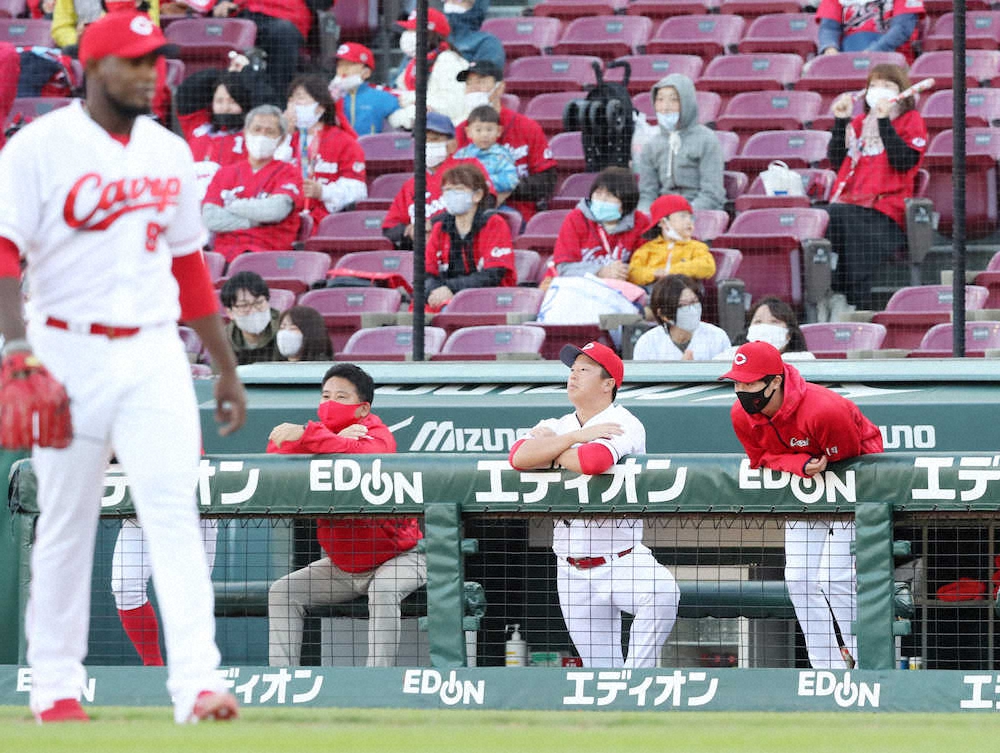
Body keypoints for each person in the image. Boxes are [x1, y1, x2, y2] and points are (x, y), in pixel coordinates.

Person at [0, 11, 246, 722]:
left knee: (174, 510)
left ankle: (198, 681)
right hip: (63, 343)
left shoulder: (168, 152)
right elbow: (5, 253)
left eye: (155, 60)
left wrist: (225, 365)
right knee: (67, 520)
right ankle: (53, 687)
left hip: (152, 349)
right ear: (95, 66)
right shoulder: (38, 148)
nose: (151, 72)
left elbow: (188, 265)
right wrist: (16, 346)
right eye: (136, 61)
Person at [509, 342, 679, 668]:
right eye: (572, 369)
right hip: (570, 569)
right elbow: (518, 457)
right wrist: (570, 440)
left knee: (662, 595)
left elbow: (594, 460)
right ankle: (617, 704)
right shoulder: (560, 424)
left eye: (584, 370)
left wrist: (549, 450)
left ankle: (637, 679)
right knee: (600, 672)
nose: (573, 375)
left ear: (608, 383)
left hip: (622, 560)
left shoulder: (623, 421)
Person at [720, 340, 884, 669]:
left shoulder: (824, 409)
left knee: (834, 578)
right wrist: (798, 464)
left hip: (853, 488)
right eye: (737, 382)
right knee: (798, 579)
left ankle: (866, 659)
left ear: (775, 381)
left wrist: (804, 464)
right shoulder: (741, 413)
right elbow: (759, 458)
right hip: (806, 489)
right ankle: (825, 667)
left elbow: (848, 460)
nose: (742, 390)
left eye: (750, 382)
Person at [267, 363, 426, 667]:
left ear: (362, 409)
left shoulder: (377, 434)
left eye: (341, 397)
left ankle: (374, 682)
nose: (329, 403)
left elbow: (366, 454)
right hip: (343, 566)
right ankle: (282, 679)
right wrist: (331, 438)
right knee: (283, 591)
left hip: (401, 558)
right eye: (325, 395)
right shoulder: (321, 434)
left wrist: (312, 436)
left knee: (383, 590)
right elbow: (276, 451)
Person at [824, 63, 927, 310]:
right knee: (825, 216)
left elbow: (904, 162)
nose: (879, 90)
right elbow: (839, 162)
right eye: (874, 85)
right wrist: (841, 122)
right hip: (852, 207)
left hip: (886, 214)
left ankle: (852, 301)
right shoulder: (859, 122)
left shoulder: (910, 120)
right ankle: (832, 294)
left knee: (839, 216)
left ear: (901, 91)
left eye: (887, 85)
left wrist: (883, 122)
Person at [455, 59, 557, 221]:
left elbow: (547, 181)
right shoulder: (461, 131)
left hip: (517, 214)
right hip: (469, 213)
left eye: (480, 82)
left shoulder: (527, 127)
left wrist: (501, 187)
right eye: (469, 84)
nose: (474, 89)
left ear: (500, 87)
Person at [111, 515, 218, 666]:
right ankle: (154, 667)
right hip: (140, 512)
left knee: (191, 594)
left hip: (196, 513)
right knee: (125, 587)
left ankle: (191, 671)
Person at [202, 104, 304, 262]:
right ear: (245, 133)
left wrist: (232, 206)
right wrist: (254, 220)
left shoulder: (289, 172)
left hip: (269, 257)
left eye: (269, 132)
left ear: (281, 139)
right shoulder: (224, 173)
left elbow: (274, 212)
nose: (262, 136)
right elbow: (210, 218)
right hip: (225, 257)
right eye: (256, 130)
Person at [424, 163, 517, 311]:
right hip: (442, 299)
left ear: (477, 195)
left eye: (459, 189)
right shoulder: (439, 228)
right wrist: (435, 291)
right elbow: (425, 273)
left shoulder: (494, 223)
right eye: (448, 190)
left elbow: (494, 275)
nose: (452, 195)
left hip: (488, 301)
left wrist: (450, 288)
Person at [281, 73, 367, 227]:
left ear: (320, 106)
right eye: (291, 100)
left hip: (328, 220)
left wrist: (322, 192)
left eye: (300, 98)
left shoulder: (344, 142)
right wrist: (284, 136)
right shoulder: (285, 140)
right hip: (286, 217)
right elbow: (269, 175)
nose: (293, 106)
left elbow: (358, 190)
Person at [636, 73, 725, 213]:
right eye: (660, 100)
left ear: (686, 102)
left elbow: (712, 195)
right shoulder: (652, 145)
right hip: (663, 216)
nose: (665, 107)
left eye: (673, 100)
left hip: (698, 213)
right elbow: (647, 194)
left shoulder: (707, 140)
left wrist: (683, 215)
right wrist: (644, 215)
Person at [545, 167, 647, 285]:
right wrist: (600, 272)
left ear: (626, 201)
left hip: (620, 289)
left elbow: (645, 266)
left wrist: (623, 272)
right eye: (598, 194)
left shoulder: (640, 222)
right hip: (576, 287)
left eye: (609, 196)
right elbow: (563, 268)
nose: (602, 200)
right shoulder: (576, 218)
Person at [382, 112, 461, 250]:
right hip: (423, 254)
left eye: (435, 139)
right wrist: (409, 231)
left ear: (452, 144)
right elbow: (389, 228)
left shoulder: (467, 169)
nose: (428, 144)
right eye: (423, 140)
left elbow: (483, 205)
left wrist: (432, 223)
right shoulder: (411, 184)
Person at [389, 8, 470, 130]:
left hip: (446, 133)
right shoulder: (414, 62)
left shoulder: (449, 61)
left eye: (414, 30)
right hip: (418, 130)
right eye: (408, 30)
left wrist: (411, 99)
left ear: (431, 34)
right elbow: (400, 96)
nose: (407, 35)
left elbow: (454, 107)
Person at [210, 0, 312, 94]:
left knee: (283, 32)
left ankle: (277, 104)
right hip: (239, 13)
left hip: (284, 16)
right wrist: (220, 3)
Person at [633, 274, 731, 361]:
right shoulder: (647, 343)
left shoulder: (718, 337)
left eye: (694, 302)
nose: (693, 310)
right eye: (684, 305)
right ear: (663, 314)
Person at [627, 194, 716, 289]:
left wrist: (672, 271)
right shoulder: (647, 249)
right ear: (663, 223)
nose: (689, 221)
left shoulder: (697, 247)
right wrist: (653, 273)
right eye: (682, 216)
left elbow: (707, 267)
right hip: (653, 293)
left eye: (690, 217)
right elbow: (633, 273)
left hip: (684, 293)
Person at [816, 0, 925, 63]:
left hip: (892, 57)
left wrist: (872, 52)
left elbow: (902, 28)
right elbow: (828, 28)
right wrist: (830, 48)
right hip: (848, 56)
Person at [328, 42, 400, 136]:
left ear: (366, 72)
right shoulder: (326, 97)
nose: (343, 70)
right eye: (340, 65)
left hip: (370, 149)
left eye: (350, 64)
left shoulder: (381, 97)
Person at [715, 296, 815, 362]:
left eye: (774, 321)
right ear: (749, 331)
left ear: (789, 335)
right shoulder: (733, 357)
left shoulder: (803, 360)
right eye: (758, 322)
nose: (765, 327)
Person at [453, 104, 518, 203]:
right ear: (468, 132)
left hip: (493, 201)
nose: (484, 134)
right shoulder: (461, 155)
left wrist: (482, 182)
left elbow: (512, 180)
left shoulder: (502, 156)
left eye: (489, 130)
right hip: (464, 201)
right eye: (478, 130)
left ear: (499, 131)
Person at [220, 270, 281, 364]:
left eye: (259, 303)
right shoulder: (222, 340)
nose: (254, 311)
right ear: (230, 312)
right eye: (244, 305)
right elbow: (219, 376)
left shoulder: (284, 329)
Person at [445, 0, 505, 72]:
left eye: (460, 1)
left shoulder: (487, 43)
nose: (451, 3)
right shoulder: (433, 35)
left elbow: (483, 80)